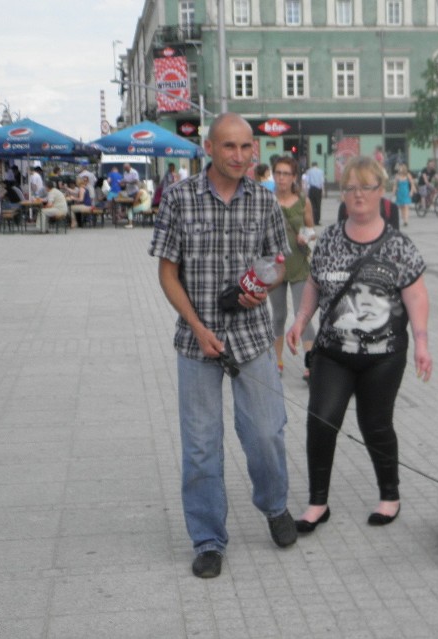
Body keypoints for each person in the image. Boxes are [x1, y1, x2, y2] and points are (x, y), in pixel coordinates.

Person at [148, 113, 297, 579]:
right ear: (208, 149)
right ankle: (208, 538)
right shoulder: (178, 199)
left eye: (246, 147)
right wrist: (195, 325)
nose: (239, 156)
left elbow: (278, 262)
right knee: (200, 447)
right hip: (198, 343)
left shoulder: (264, 203)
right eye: (229, 147)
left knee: (267, 434)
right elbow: (167, 273)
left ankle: (275, 506)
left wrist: (262, 286)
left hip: (252, 340)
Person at [286, 155, 432, 534]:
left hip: (384, 357)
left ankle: (390, 495)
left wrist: (421, 342)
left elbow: (416, 296)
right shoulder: (331, 238)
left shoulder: (398, 245)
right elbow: (316, 287)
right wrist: (301, 321)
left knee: (375, 424)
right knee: (321, 420)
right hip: (333, 353)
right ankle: (318, 503)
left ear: (380, 192)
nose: (357, 195)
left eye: (365, 187)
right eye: (350, 188)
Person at [267, 156, 317, 380]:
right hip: (276, 269)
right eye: (278, 173)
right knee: (278, 315)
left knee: (302, 314)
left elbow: (312, 230)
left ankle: (310, 364)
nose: (281, 178)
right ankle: (276, 361)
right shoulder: (266, 200)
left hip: (299, 266)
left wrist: (305, 237)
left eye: (286, 174)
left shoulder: (303, 201)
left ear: (294, 177)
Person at [391, 162, 416, 227]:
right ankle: (404, 219)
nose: (399, 169)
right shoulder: (397, 176)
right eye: (399, 168)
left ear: (404, 168)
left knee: (406, 206)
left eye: (401, 167)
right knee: (402, 207)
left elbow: (412, 184)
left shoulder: (408, 175)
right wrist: (393, 193)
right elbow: (395, 185)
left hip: (406, 193)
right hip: (400, 193)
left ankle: (406, 221)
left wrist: (411, 191)